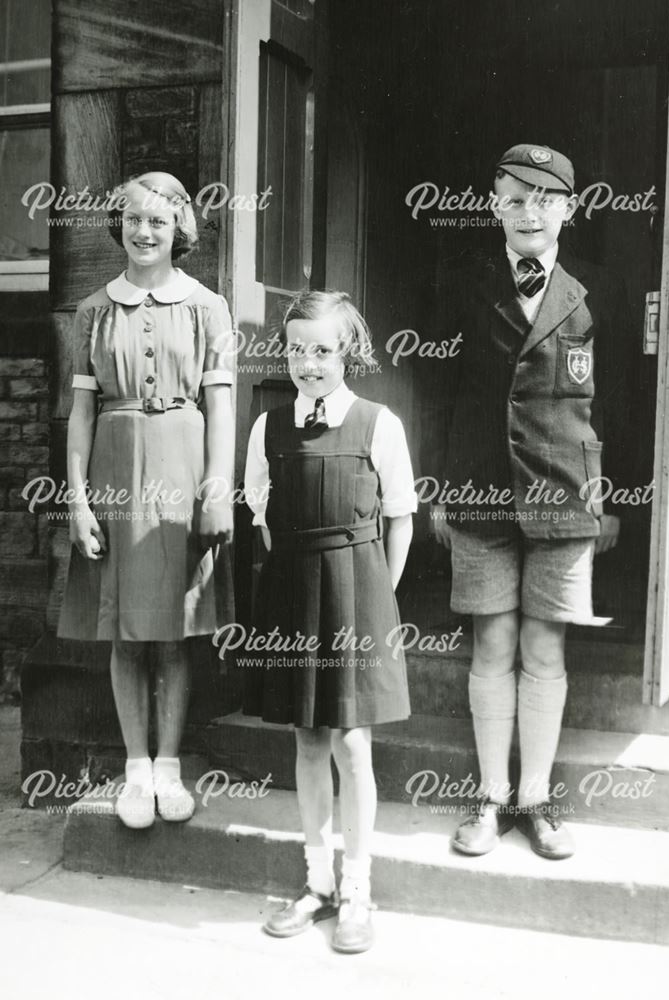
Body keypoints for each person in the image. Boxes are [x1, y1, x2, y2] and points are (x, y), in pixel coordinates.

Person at [429, 144, 634, 860]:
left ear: (568, 211)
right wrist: (437, 485)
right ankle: (487, 798)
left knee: (544, 645)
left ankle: (536, 798)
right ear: (492, 206)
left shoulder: (597, 290)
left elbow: (618, 404)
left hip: (565, 494)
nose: (527, 212)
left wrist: (610, 497)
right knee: (491, 642)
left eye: (543, 199)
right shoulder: (463, 285)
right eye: (512, 198)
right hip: (479, 492)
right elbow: (441, 393)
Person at [58, 171, 235, 830]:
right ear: (119, 226)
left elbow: (221, 405)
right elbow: (79, 415)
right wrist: (77, 500)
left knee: (174, 629)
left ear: (179, 229)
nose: (143, 232)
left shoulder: (207, 307)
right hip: (114, 469)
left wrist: (218, 485)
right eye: (133, 220)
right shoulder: (92, 311)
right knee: (127, 631)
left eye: (157, 221)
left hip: (184, 469)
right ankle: (135, 767)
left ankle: (167, 766)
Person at [242, 290, 416, 952]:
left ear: (348, 352)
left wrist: (376, 596)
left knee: (351, 743)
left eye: (323, 350)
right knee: (308, 742)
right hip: (293, 592)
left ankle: (356, 891)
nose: (309, 363)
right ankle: (315, 882)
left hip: (357, 594)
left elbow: (400, 516)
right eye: (297, 350)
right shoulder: (267, 427)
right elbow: (260, 517)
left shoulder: (378, 423)